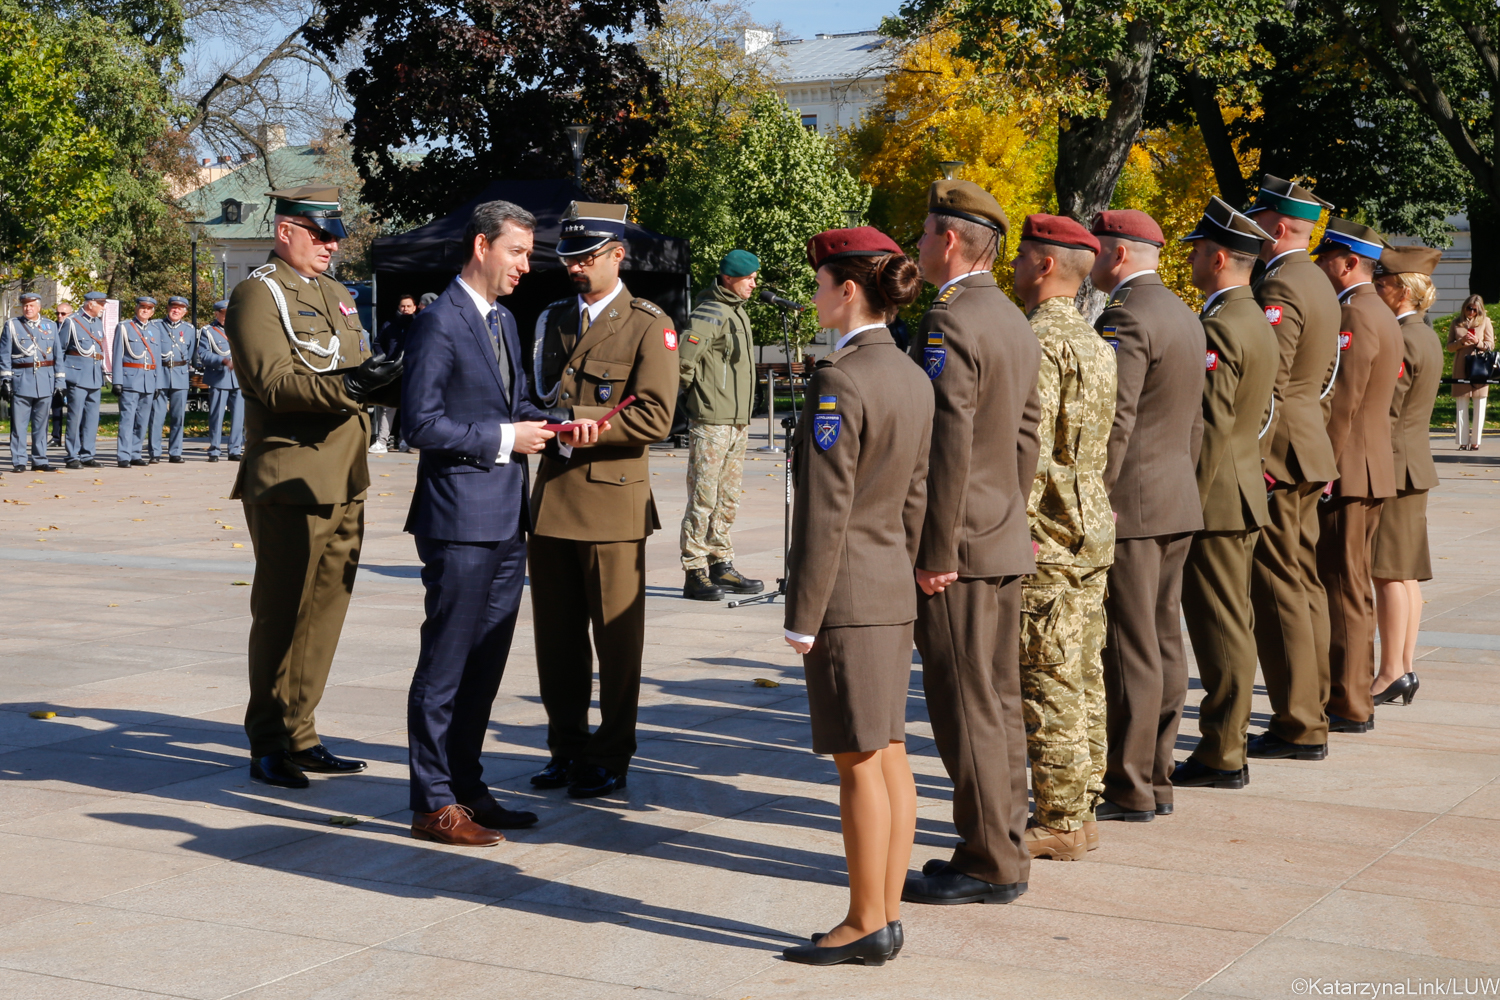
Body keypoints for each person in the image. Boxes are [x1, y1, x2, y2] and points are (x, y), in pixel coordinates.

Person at [402, 200, 595, 845]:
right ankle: (431, 800)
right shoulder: (438, 322)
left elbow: (517, 405)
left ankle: (466, 783)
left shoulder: (505, 322)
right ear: (481, 247)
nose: (525, 265)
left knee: (485, 662)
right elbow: (419, 422)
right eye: (516, 252)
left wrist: (560, 423)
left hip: (508, 516)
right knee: (447, 662)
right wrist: (505, 437)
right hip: (459, 516)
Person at [780, 226, 930, 967]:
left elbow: (825, 509)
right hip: (890, 585)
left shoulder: (841, 379)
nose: (813, 296)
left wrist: (802, 614)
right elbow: (918, 496)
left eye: (819, 283)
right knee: (889, 752)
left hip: (848, 593)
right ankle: (885, 911)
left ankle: (866, 919)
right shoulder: (908, 372)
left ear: (848, 290)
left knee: (859, 762)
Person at [225, 185, 403, 789]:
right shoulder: (258, 294)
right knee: (282, 613)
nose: (332, 245)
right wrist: (354, 389)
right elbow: (272, 384)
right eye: (320, 234)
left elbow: (358, 366)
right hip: (291, 477)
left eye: (335, 235)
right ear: (285, 231)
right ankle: (268, 739)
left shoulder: (336, 294)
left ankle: (301, 731)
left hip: (346, 475)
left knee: (325, 612)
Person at [901, 182, 1043, 903]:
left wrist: (937, 548)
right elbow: (1026, 437)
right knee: (999, 700)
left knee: (967, 705)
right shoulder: (1013, 318)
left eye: (925, 233)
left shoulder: (949, 320)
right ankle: (1002, 842)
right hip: (999, 537)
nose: (918, 244)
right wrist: (1008, 518)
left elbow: (946, 444)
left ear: (950, 241)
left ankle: (990, 859)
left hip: (958, 550)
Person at [526, 202, 678, 799]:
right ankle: (565, 747)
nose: (576, 268)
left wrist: (580, 420)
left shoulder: (647, 323)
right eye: (569, 258)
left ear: (619, 255)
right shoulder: (553, 318)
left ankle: (611, 752)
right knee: (556, 640)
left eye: (588, 257)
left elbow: (657, 414)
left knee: (616, 641)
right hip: (554, 499)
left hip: (613, 504)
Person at [1090, 209, 1205, 822]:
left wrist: (1097, 494)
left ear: (1119, 254)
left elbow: (1117, 419)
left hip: (1132, 502)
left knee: (1131, 646)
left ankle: (1131, 785)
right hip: (1174, 498)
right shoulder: (1185, 314)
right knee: (1162, 640)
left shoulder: (1126, 316)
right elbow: (1193, 422)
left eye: (1100, 249)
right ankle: (1156, 775)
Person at [1012, 213, 1117, 859]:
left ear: (1044, 265)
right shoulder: (1096, 342)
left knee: (1049, 680)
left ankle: (1060, 820)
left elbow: (1026, 448)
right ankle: (1085, 802)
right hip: (1091, 529)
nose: (1015, 267)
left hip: (1047, 535)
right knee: (1084, 675)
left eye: (1022, 256)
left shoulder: (1037, 343)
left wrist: (1014, 534)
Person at [1171, 198, 1278, 790]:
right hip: (1239, 488)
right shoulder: (1254, 318)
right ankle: (1226, 743)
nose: (1189, 258)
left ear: (1217, 258)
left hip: (1215, 497)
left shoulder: (1219, 326)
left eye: (1194, 250)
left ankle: (1223, 751)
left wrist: (1188, 502)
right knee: (1231, 618)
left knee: (1220, 626)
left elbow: (1210, 427)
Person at [1244, 174, 1341, 763]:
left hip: (1279, 450)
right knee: (1304, 582)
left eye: (1256, 218)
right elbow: (1323, 379)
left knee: (1280, 585)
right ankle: (1314, 705)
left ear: (1277, 226)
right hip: (1306, 443)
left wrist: (1256, 457)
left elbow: (1268, 385)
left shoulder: (1279, 282)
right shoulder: (1320, 281)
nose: (1250, 229)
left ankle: (1300, 721)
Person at [1313, 218, 1402, 735]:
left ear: (1348, 264)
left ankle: (1349, 700)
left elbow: (1343, 398)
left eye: (1327, 261)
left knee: (1343, 584)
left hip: (1350, 469)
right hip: (1369, 466)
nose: (1321, 269)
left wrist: (1325, 463)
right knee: (1353, 583)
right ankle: (1351, 692)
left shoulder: (1355, 312)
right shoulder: (1380, 311)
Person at [1371, 246, 1443, 709]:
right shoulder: (1425, 334)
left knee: (1389, 574)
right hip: (1412, 461)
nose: (1375, 288)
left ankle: (1390, 672)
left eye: (1381, 282)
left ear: (1399, 288)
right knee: (1406, 576)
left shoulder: (1403, 338)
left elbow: (1386, 409)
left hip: (1394, 464)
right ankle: (1405, 665)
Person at [677, 249, 765, 601]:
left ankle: (720, 564)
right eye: (749, 279)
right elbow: (682, 364)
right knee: (703, 499)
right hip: (712, 421)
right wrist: (688, 406)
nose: (754, 285)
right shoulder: (711, 312)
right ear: (730, 278)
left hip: (736, 422)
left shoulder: (736, 312)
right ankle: (694, 570)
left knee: (727, 500)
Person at [2, 291, 65, 473]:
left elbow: (57, 356)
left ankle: (40, 459)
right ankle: (19, 460)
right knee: (19, 425)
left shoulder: (50, 326)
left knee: (41, 424)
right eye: (25, 305)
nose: (28, 308)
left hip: (45, 380)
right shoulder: (13, 326)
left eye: (31, 305)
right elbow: (4, 355)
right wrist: (5, 380)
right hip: (21, 380)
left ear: (39, 307)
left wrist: (60, 383)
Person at [58, 292, 109, 469]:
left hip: (94, 375)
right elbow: (60, 350)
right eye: (101, 303)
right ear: (90, 304)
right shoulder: (72, 321)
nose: (103, 307)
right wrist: (60, 378)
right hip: (77, 375)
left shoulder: (96, 322)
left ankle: (87, 454)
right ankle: (72, 455)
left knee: (92, 418)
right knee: (75, 417)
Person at [112, 296, 159, 468]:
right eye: (142, 307)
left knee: (142, 420)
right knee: (127, 419)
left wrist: (158, 383)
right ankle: (123, 455)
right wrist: (117, 381)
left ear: (152, 312)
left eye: (149, 308)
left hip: (148, 380)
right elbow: (117, 355)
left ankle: (135, 453)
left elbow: (157, 360)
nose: (145, 310)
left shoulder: (155, 330)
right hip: (130, 379)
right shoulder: (124, 327)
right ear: (136, 308)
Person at [148, 296, 195, 464]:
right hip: (160, 372)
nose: (176, 310)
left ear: (185, 312)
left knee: (178, 416)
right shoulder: (155, 326)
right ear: (167, 308)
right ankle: (155, 452)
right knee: (157, 415)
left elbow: (191, 353)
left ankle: (175, 452)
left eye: (180, 308)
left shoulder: (189, 329)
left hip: (180, 374)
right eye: (173, 307)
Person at [195, 299, 243, 462]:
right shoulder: (208, 331)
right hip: (218, 377)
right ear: (217, 314)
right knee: (217, 415)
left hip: (238, 378)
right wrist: (222, 360)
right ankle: (214, 449)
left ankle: (235, 449)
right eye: (223, 313)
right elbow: (204, 354)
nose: (227, 316)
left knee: (238, 415)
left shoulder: (240, 328)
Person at [371, 293, 417, 455]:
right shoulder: (389, 325)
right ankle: (381, 442)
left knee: (408, 407)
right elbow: (377, 342)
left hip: (412, 371)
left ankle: (405, 441)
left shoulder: (419, 324)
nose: (405, 309)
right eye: (402, 306)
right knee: (387, 407)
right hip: (391, 370)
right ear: (398, 307)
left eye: (408, 306)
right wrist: (383, 357)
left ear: (415, 308)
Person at [1448, 294, 1493, 449]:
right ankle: (1462, 441)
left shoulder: (1485, 322)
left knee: (1480, 404)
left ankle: (1476, 441)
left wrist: (1477, 342)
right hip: (1461, 366)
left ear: (1479, 310)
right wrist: (1461, 342)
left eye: (1474, 310)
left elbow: (1490, 345)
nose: (1471, 312)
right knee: (1461, 404)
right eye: (1469, 308)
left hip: (1479, 366)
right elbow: (1449, 347)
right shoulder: (1456, 323)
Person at [50, 301, 72, 447]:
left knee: (74, 406)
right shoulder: (51, 327)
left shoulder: (74, 327)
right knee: (56, 405)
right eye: (57, 313)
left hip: (71, 370)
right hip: (55, 372)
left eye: (63, 313)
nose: (59, 316)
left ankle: (76, 436)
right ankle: (56, 437)